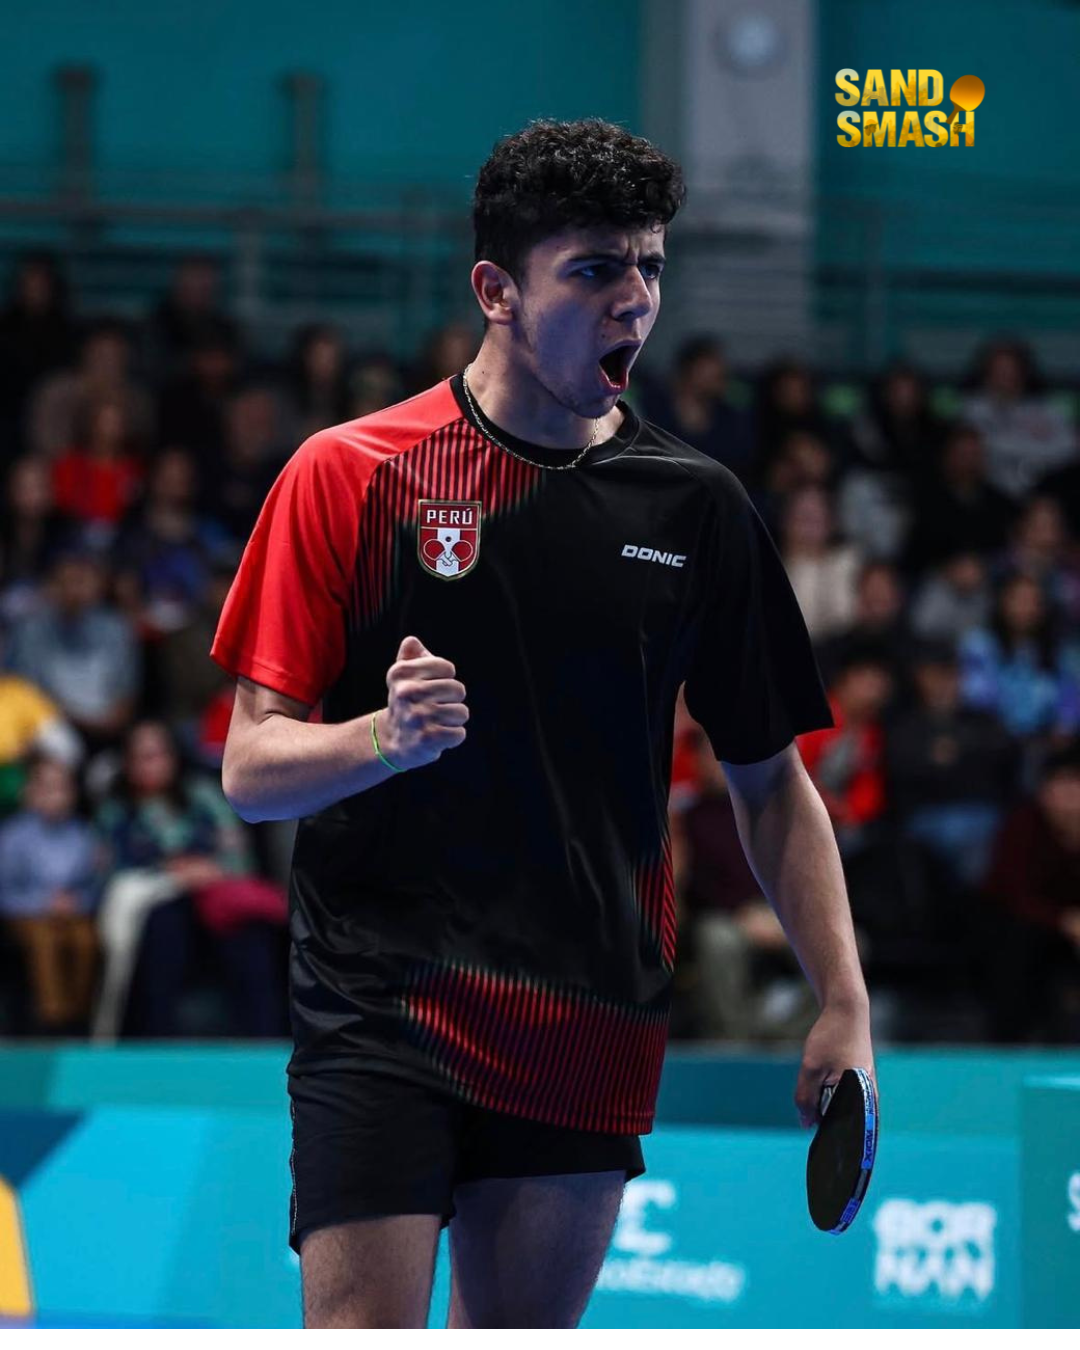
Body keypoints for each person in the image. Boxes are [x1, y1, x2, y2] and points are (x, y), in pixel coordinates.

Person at [211, 118, 874, 1330]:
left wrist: (844, 995)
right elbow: (251, 770)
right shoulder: (350, 474)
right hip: (382, 997)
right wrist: (381, 740)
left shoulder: (699, 508)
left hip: (588, 1010)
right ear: (496, 290)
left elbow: (770, 783)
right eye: (594, 270)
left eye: (651, 267)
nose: (635, 303)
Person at [0, 753, 101, 1034]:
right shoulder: (12, 836)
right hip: (26, 916)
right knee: (46, 939)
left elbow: (94, 884)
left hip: (73, 913)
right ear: (31, 792)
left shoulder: (83, 833)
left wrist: (77, 901)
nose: (55, 796)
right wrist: (42, 903)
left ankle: (77, 1017)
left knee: (86, 940)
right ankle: (51, 1021)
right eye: (47, 788)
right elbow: (5, 892)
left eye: (62, 787)